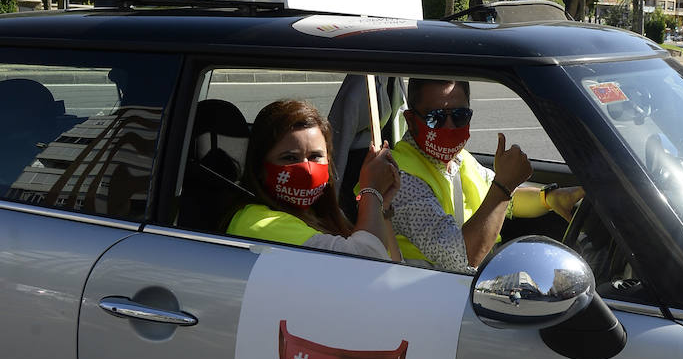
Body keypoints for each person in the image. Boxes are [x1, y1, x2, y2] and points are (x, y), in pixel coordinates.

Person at [390, 79, 583, 273]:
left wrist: (549, 199)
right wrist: (504, 185)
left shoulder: (459, 159)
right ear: (411, 120)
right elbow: (462, 259)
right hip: (431, 290)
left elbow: (505, 201)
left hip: (470, 281)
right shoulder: (400, 179)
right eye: (435, 118)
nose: (449, 127)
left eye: (460, 116)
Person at [226, 99, 400, 262]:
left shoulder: (323, 214)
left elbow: (393, 263)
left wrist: (381, 207)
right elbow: (367, 264)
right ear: (260, 167)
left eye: (315, 156)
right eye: (289, 158)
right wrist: (371, 191)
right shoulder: (260, 223)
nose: (307, 170)